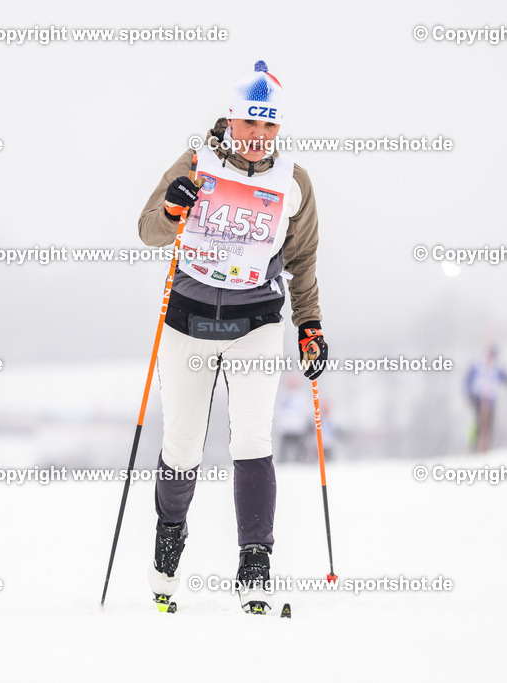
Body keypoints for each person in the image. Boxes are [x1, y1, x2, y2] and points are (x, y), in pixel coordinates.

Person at [138, 61, 326, 615]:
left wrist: (309, 326)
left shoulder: (293, 181)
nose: (258, 138)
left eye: (269, 127)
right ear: (232, 119)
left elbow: (302, 260)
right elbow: (149, 228)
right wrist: (174, 207)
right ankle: (168, 545)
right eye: (250, 124)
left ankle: (255, 563)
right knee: (183, 445)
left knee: (251, 439)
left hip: (257, 323)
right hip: (189, 319)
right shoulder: (196, 162)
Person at [464, 346, 507, 453]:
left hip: (490, 400)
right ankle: (473, 446)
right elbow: (467, 381)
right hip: (478, 398)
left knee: (489, 423)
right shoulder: (477, 366)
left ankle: (486, 446)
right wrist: (468, 395)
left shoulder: (496, 369)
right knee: (478, 422)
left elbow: (504, 378)